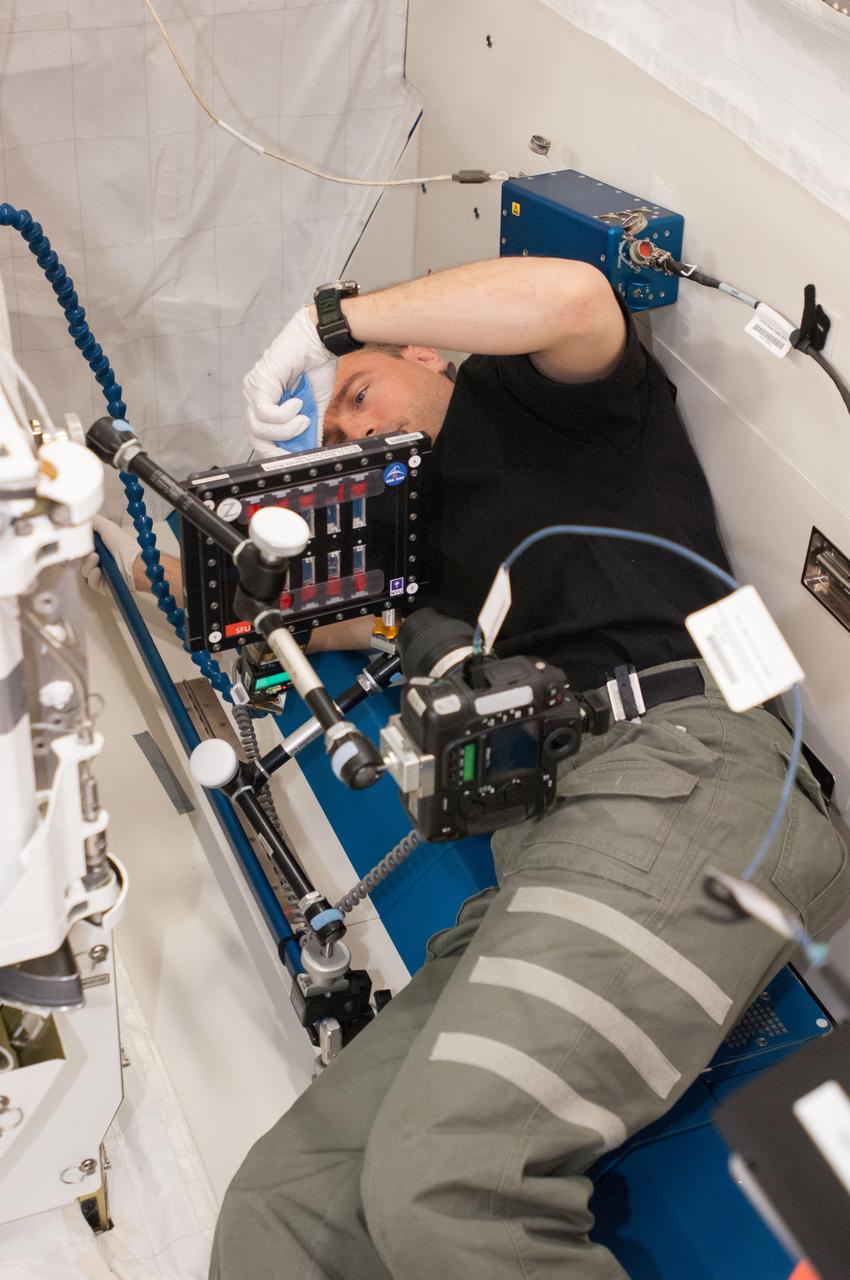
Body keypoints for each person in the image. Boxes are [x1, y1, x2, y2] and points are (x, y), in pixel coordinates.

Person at [146, 258, 850, 1279]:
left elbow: (573, 299)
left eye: (359, 393)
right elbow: (258, 602)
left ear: (425, 350)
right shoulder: (427, 560)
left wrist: (327, 325)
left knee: (445, 1184)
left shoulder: (538, 408)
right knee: (284, 1205)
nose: (348, 429)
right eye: (333, 431)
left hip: (684, 769)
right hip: (559, 841)